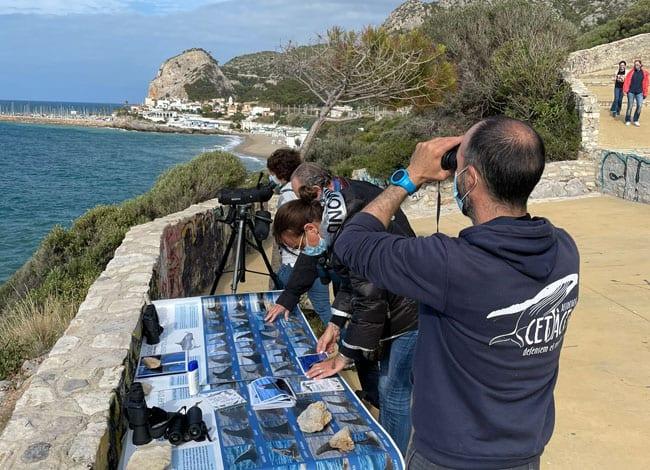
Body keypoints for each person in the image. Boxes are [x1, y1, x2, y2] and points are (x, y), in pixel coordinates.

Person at [334, 116, 580, 469]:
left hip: (450, 456)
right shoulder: (564, 250)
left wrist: (411, 176)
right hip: (525, 453)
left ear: (470, 179)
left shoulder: (449, 265)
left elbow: (352, 241)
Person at [265, 162, 418, 454]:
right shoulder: (333, 223)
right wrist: (335, 324)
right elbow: (351, 285)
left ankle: (393, 456)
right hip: (391, 300)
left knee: (393, 389)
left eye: (298, 246)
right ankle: (383, 426)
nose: (302, 253)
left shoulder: (349, 226)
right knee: (383, 382)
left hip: (408, 306)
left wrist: (342, 357)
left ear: (311, 227)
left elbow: (369, 300)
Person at [267, 148, 332, 324]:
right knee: (324, 307)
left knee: (282, 304)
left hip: (295, 263)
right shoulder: (310, 193)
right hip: (312, 261)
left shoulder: (289, 195)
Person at [623, 59, 649, 126]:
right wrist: (625, 90)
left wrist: (645, 93)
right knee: (630, 106)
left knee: (639, 106)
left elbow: (646, 84)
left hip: (640, 92)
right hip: (631, 92)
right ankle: (628, 119)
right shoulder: (631, 72)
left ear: (640, 65)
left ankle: (636, 120)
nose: (636, 66)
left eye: (637, 64)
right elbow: (626, 81)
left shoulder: (644, 73)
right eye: (635, 64)